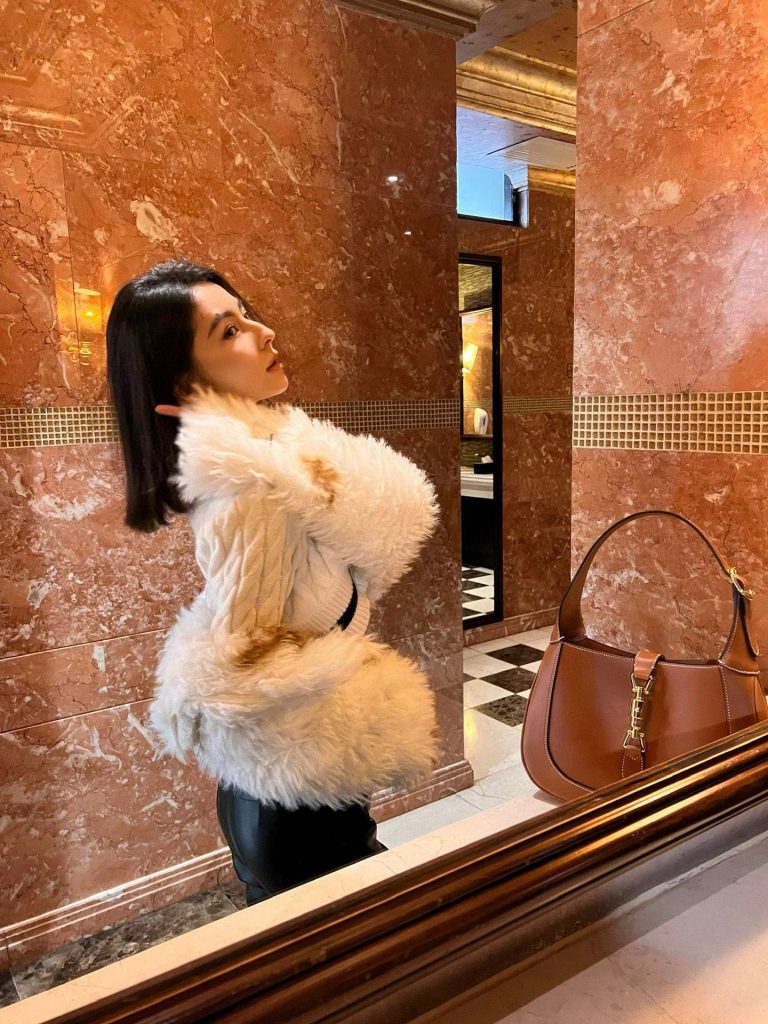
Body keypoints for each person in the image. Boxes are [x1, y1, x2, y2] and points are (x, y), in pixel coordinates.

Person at [106, 259, 440, 905]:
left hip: (289, 777)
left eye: (247, 314)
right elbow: (248, 651)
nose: (263, 332)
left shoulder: (265, 460)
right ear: (184, 377)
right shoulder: (252, 482)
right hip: (292, 787)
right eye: (229, 331)